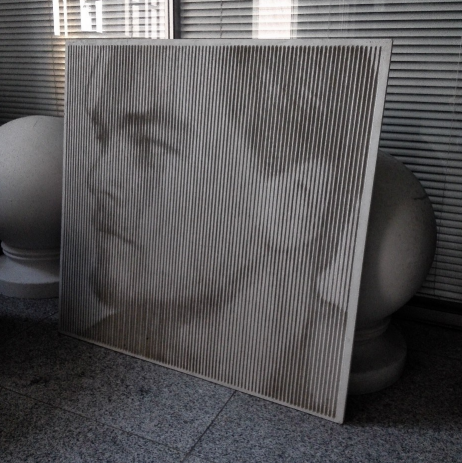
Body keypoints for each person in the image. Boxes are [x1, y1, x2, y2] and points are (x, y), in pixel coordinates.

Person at [61, 42, 376, 417]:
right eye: (103, 136)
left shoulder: (323, 383)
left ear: (293, 206)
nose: (98, 178)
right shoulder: (97, 360)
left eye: (152, 143)